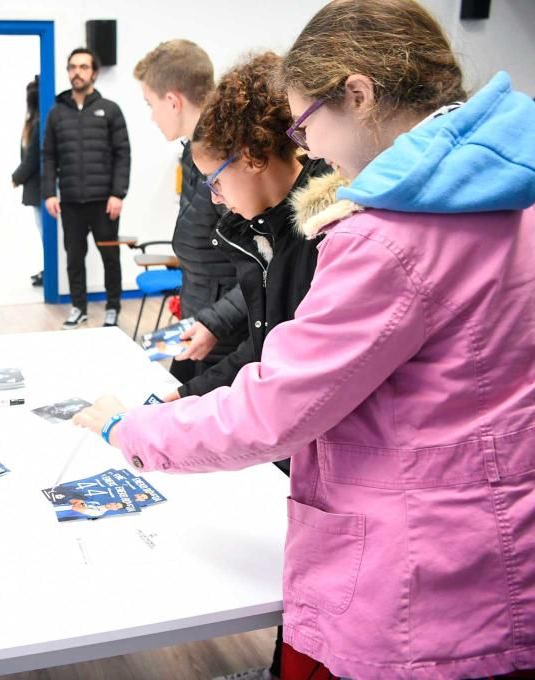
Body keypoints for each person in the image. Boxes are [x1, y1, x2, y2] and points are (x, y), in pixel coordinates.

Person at [76, 1, 535, 678]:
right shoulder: (507, 190)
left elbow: (274, 410)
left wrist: (131, 430)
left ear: (358, 93)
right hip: (496, 544)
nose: (309, 148)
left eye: (307, 124)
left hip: (417, 580)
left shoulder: (388, 237)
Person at [172, 53, 329, 410]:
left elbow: (294, 374)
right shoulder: (270, 229)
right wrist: (185, 396)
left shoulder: (319, 235)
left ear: (250, 158)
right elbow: (263, 345)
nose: (216, 200)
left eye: (216, 182)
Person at [132, 40, 247, 386]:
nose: (151, 117)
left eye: (150, 105)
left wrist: (216, 320)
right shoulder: (191, 153)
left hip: (228, 338)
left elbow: (265, 268)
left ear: (173, 101)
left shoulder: (229, 160)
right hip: (200, 320)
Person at [43, 47, 131, 330]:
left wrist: (118, 193)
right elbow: (48, 156)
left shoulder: (110, 109)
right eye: (72, 67)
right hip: (70, 201)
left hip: (104, 201)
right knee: (74, 258)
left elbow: (123, 153)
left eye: (83, 67)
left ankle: (113, 308)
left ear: (93, 72)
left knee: (110, 257)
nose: (77, 72)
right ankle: (78, 307)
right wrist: (49, 193)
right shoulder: (57, 114)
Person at [11, 75, 43, 286]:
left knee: (45, 233)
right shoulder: (33, 123)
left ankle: (49, 270)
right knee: (42, 233)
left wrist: (16, 177)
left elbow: (32, 157)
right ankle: (46, 269)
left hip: (40, 187)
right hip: (35, 187)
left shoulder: (38, 124)